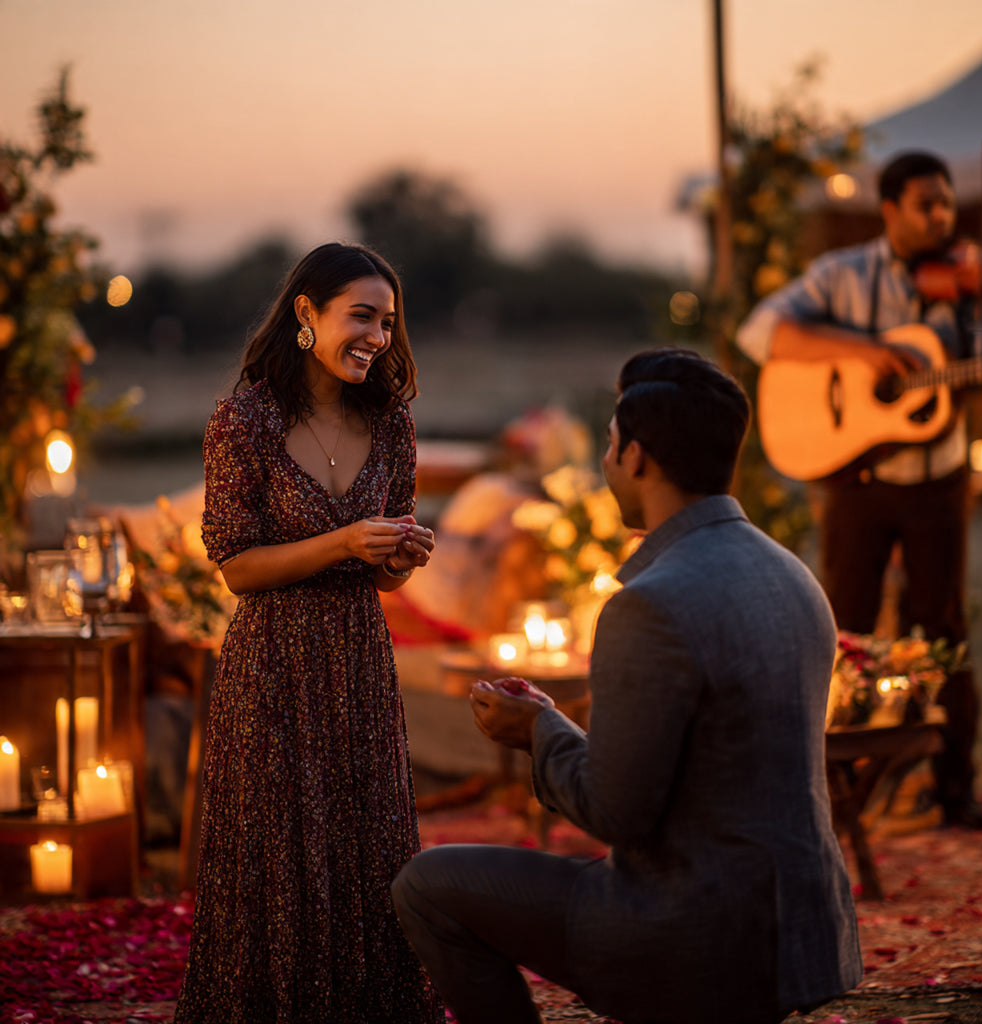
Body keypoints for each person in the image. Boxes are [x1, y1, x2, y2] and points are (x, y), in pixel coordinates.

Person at [392, 348, 862, 1024]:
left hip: (693, 932)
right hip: (803, 934)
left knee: (427, 884)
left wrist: (537, 731)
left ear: (638, 458)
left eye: (611, 447)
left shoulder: (652, 602)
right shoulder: (794, 576)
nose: (606, 465)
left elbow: (616, 813)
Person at [174, 242, 444, 1023]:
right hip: (272, 667)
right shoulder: (244, 418)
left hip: (359, 659)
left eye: (387, 322)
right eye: (361, 316)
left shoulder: (392, 423)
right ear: (306, 313)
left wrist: (401, 556)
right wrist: (346, 541)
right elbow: (237, 567)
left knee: (370, 844)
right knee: (277, 855)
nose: (378, 337)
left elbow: (382, 574)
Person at [736, 151, 982, 830]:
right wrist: (864, 355)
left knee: (941, 627)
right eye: (927, 204)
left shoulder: (969, 279)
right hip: (858, 481)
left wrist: (978, 355)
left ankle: (954, 787)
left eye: (947, 202)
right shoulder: (843, 274)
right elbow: (761, 332)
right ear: (889, 209)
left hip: (938, 482)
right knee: (845, 626)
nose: (941, 216)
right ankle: (838, 786)